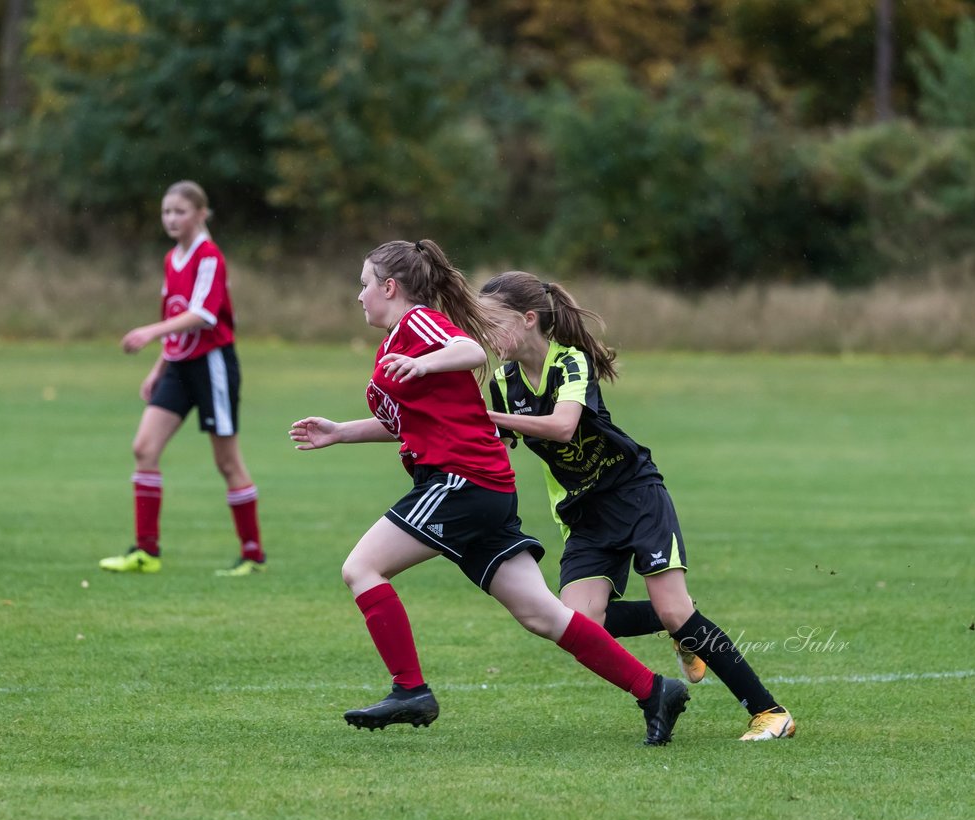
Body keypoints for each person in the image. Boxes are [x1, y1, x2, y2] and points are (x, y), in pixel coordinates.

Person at [289, 239, 689, 746]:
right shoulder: (394, 342)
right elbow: (416, 422)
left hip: (460, 482)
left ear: (390, 287)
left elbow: (470, 349)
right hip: (480, 487)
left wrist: (429, 363)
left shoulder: (417, 324)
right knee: (541, 614)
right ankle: (654, 689)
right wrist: (341, 431)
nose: (359, 295)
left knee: (361, 568)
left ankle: (410, 689)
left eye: (364, 284)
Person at [480, 271, 796, 741]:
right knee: (580, 624)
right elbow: (486, 439)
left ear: (529, 320)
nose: (485, 336)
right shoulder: (505, 384)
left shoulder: (572, 362)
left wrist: (483, 417)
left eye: (493, 322)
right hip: (582, 514)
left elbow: (564, 426)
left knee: (674, 609)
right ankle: (681, 624)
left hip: (634, 496)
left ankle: (770, 713)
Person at [99, 181, 265, 577]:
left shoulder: (209, 257)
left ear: (201, 214)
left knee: (226, 462)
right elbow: (176, 319)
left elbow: (202, 315)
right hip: (178, 366)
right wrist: (158, 368)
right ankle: (146, 552)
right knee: (144, 447)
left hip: (213, 366)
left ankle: (252, 554)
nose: (171, 219)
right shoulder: (171, 259)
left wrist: (148, 332)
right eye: (166, 212)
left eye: (180, 211)